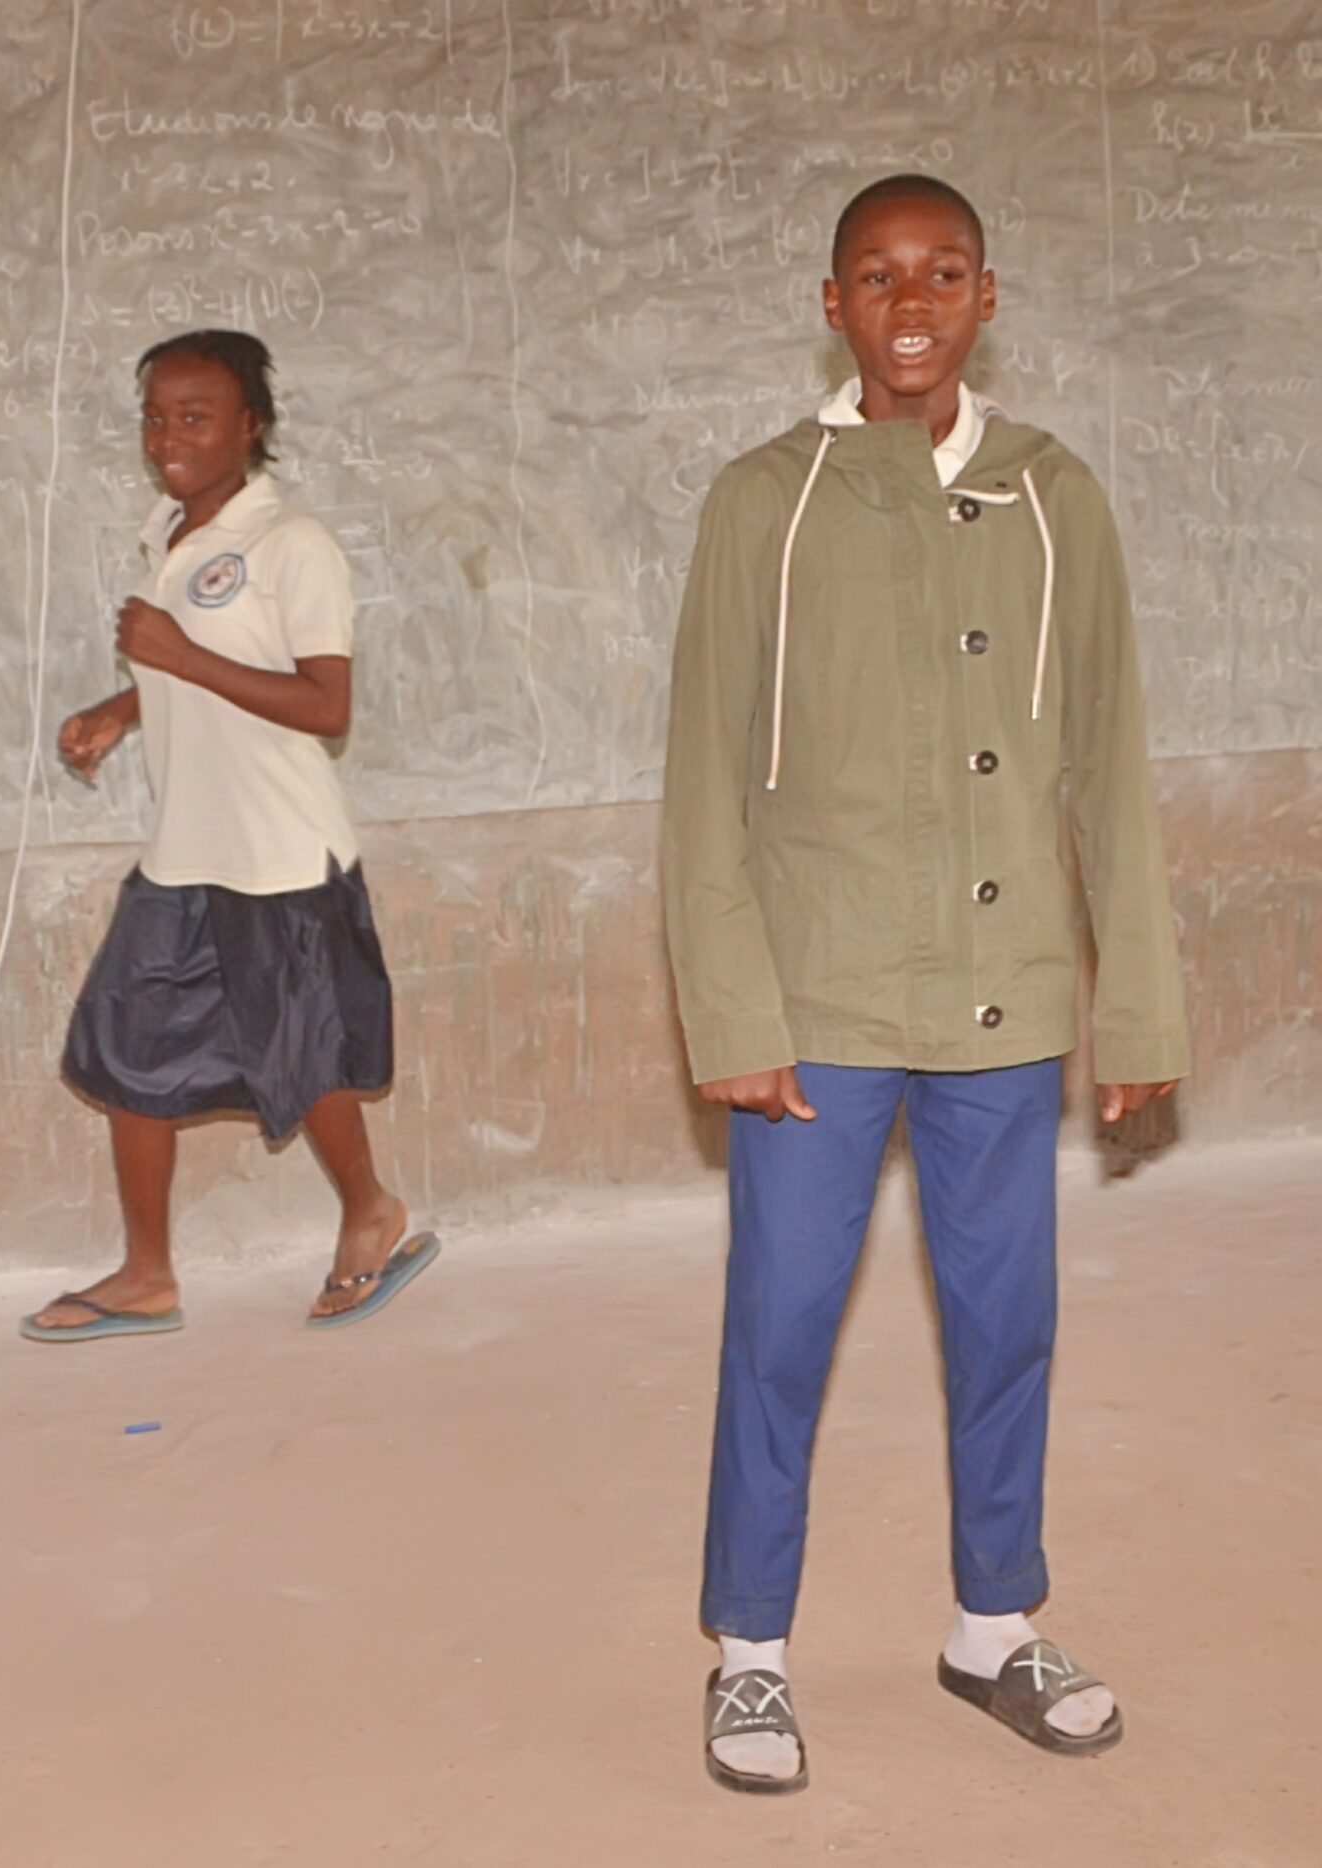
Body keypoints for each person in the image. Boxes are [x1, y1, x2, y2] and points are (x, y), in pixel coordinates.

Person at [661, 174, 1188, 1794]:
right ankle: (752, 1653)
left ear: (985, 296)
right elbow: (704, 775)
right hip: (817, 1004)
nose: (911, 303)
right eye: (879, 275)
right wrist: (732, 1011)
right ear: (833, 304)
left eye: (943, 272)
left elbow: (1107, 760)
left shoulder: (1054, 495)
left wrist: (1137, 1005)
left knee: (1006, 1321)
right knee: (782, 1327)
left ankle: (993, 1622)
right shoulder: (769, 501)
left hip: (1001, 1000)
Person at [21, 329, 434, 1343]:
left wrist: (175, 657)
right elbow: (205, 664)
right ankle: (146, 1273)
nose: (169, 436)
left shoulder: (291, 543)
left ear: (250, 426)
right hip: (185, 847)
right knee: (127, 1047)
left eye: (196, 416)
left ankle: (370, 1211)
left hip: (278, 850)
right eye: (156, 418)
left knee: (302, 1054)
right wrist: (124, 706)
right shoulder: (169, 533)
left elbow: (324, 703)